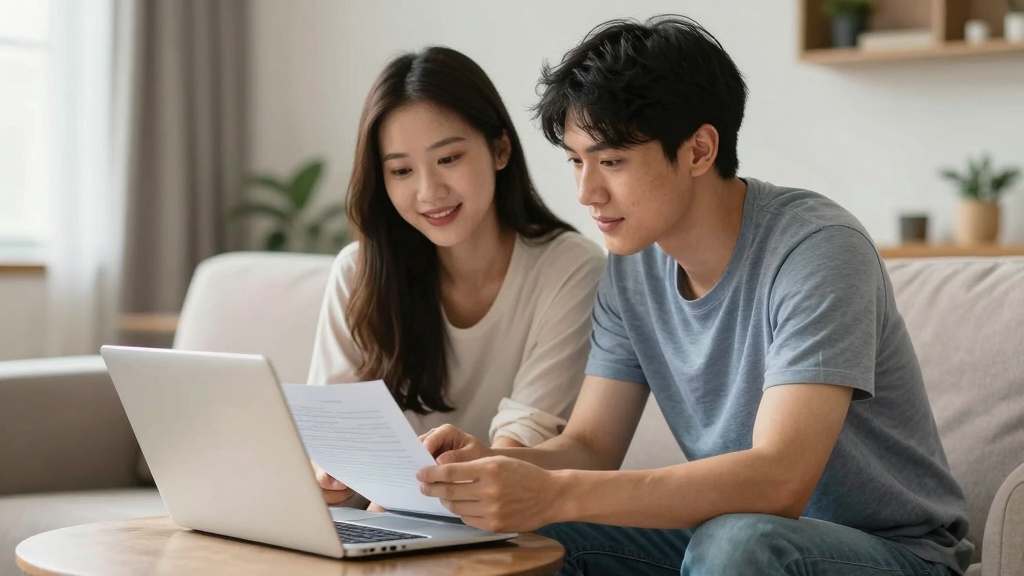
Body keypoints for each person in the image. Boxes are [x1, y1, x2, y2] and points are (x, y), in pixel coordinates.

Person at [416, 15, 973, 576]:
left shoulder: (818, 249)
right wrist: (488, 469)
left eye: (611, 161)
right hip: (728, 540)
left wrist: (557, 493)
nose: (587, 192)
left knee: (737, 542)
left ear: (699, 150)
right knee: (524, 531)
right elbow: (590, 447)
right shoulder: (631, 267)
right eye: (576, 161)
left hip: (895, 553)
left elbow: (780, 480)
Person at [306, 46, 606, 508]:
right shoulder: (357, 272)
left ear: (500, 149)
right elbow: (333, 436)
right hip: (381, 522)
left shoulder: (570, 269)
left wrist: (419, 496)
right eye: (401, 170)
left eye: (448, 159)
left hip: (505, 521)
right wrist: (330, 476)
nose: (429, 191)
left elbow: (520, 450)